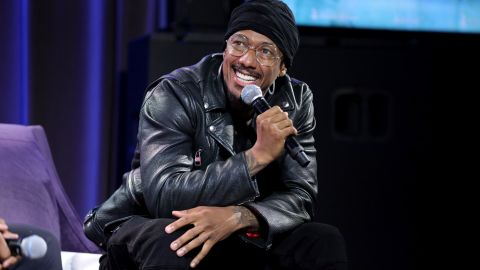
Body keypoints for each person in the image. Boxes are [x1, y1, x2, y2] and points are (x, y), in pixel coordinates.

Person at [99, 0, 348, 269]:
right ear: (225, 46)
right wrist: (256, 157)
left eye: (265, 52)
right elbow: (164, 197)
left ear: (283, 67)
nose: (247, 60)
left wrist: (239, 216)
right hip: (150, 225)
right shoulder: (174, 93)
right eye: (239, 43)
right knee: (178, 240)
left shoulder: (295, 101)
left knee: (321, 240)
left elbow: (301, 196)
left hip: (235, 231)